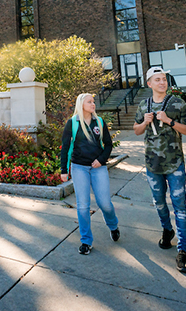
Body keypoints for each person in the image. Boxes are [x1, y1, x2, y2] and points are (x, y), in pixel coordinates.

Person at [133, 67, 186, 273]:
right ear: (149, 83)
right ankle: (167, 230)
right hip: (153, 165)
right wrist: (145, 121)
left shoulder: (177, 103)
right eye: (157, 80)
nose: (162, 82)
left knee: (180, 206)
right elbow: (136, 130)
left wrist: (169, 120)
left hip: (175, 164)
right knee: (159, 203)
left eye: (164, 79)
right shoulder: (144, 105)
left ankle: (183, 250)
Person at [60, 93, 119, 255]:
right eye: (90, 102)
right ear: (81, 104)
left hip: (98, 168)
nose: (93, 104)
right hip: (79, 167)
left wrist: (101, 160)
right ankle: (86, 241)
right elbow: (65, 148)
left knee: (105, 203)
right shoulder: (72, 123)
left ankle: (113, 226)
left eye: (93, 102)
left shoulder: (99, 122)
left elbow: (108, 145)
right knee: (83, 205)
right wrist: (64, 170)